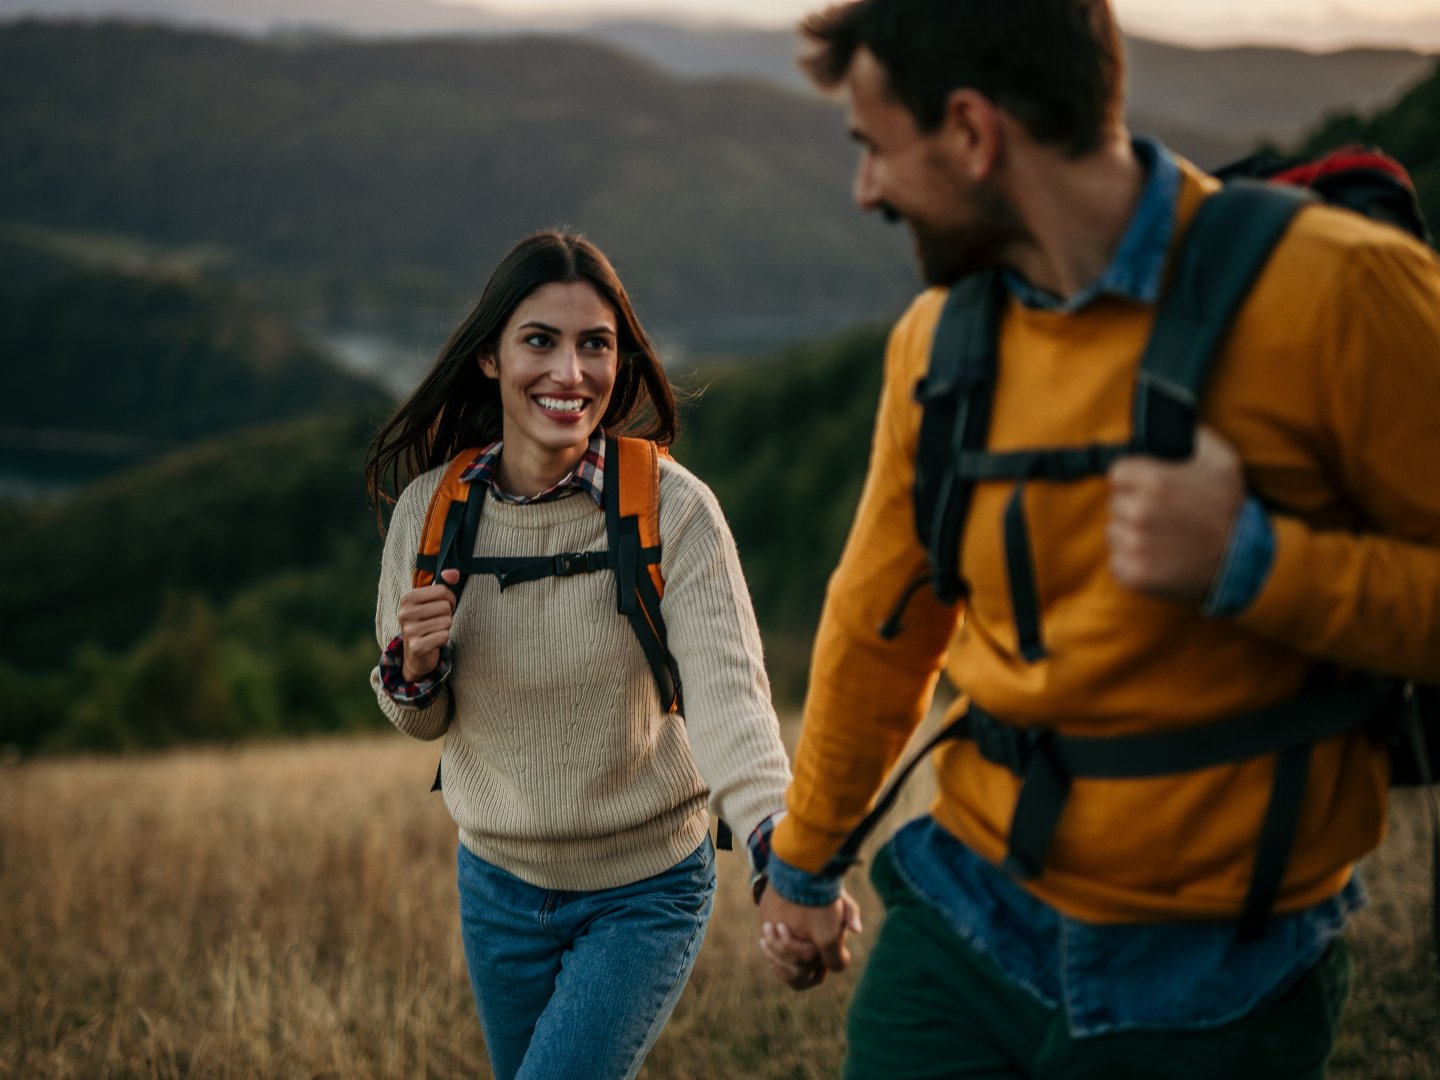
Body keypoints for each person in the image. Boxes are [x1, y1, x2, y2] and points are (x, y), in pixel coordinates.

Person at [755, 2, 1440, 1078]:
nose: (867, 189)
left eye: (877, 149)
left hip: (1220, 974)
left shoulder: (1344, 293)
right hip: (964, 923)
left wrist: (1252, 564)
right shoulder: (937, 346)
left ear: (976, 135)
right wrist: (801, 866)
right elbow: (881, 624)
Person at [363, 229, 794, 1080]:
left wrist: (779, 848)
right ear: (489, 358)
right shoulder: (431, 511)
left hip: (646, 890)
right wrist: (414, 672)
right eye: (540, 342)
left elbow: (730, 698)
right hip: (497, 888)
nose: (571, 374)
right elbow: (420, 723)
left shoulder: (674, 510)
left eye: (595, 345)